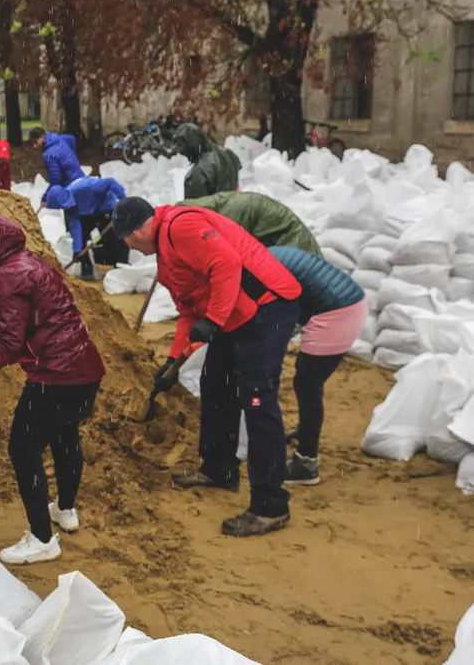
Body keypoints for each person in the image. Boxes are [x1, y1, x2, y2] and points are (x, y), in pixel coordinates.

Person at [115, 197, 301, 537]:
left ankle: (270, 506)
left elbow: (227, 265)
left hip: (267, 307)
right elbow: (189, 312)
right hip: (234, 313)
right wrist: (174, 360)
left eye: (128, 238)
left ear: (141, 228)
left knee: (258, 402)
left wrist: (213, 321)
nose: (129, 245)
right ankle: (219, 469)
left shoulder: (180, 227)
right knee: (216, 384)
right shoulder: (166, 258)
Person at [0, 214, 106, 564]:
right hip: (85, 369)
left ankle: (41, 538)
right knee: (65, 436)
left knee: (23, 449)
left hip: (55, 376)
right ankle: (65, 510)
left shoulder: (7, 276)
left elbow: (9, 344)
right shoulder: (31, 262)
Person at [268, 246, 367, 486]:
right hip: (347, 303)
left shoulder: (259, 271)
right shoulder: (266, 254)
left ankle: (306, 463)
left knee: (307, 384)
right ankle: (304, 432)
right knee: (309, 381)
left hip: (336, 314)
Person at [180, 191, 322, 257]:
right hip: (290, 247)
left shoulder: (233, 211)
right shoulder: (224, 204)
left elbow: (230, 255)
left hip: (295, 249)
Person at [42, 176, 129, 281]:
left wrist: (124, 201)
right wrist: (77, 250)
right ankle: (87, 273)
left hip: (105, 208)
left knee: (115, 238)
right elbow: (75, 226)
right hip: (86, 214)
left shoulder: (85, 187)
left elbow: (110, 182)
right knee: (82, 240)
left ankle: (121, 268)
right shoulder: (69, 207)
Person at [173, 123, 241, 199]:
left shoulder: (197, 174)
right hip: (234, 205)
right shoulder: (229, 153)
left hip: (214, 209)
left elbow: (194, 208)